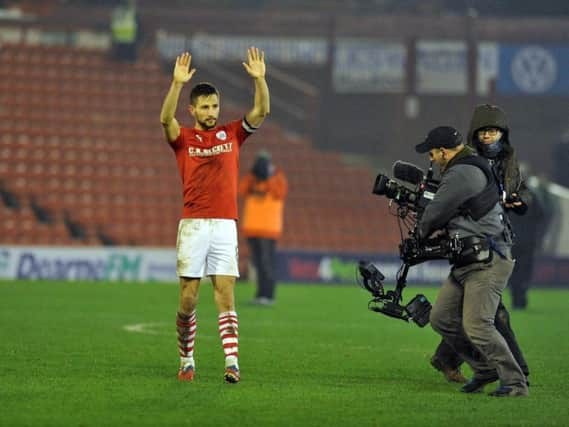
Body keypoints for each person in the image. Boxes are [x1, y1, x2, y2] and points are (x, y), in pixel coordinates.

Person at [159, 47, 270, 383]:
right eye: (205, 106)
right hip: (193, 225)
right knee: (189, 297)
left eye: (215, 106)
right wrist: (177, 85)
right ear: (193, 109)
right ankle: (186, 358)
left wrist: (260, 79)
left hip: (224, 224)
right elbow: (166, 120)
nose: (211, 111)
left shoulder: (232, 133)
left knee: (225, 293)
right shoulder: (184, 139)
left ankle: (232, 362)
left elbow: (262, 110)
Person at [416, 125, 528, 397]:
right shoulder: (466, 167)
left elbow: (435, 212)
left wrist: (419, 235)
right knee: (441, 318)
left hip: (487, 260)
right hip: (468, 260)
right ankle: (484, 368)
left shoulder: (461, 172)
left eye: (432, 153)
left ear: (443, 151)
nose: (431, 159)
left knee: (478, 325)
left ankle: (515, 383)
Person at [238, 150, 288, 305]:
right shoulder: (251, 178)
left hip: (269, 229)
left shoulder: (278, 177)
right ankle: (260, 295)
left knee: (267, 263)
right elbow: (242, 190)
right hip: (252, 228)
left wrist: (270, 176)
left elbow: (280, 193)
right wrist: (253, 175)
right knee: (258, 264)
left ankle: (269, 295)